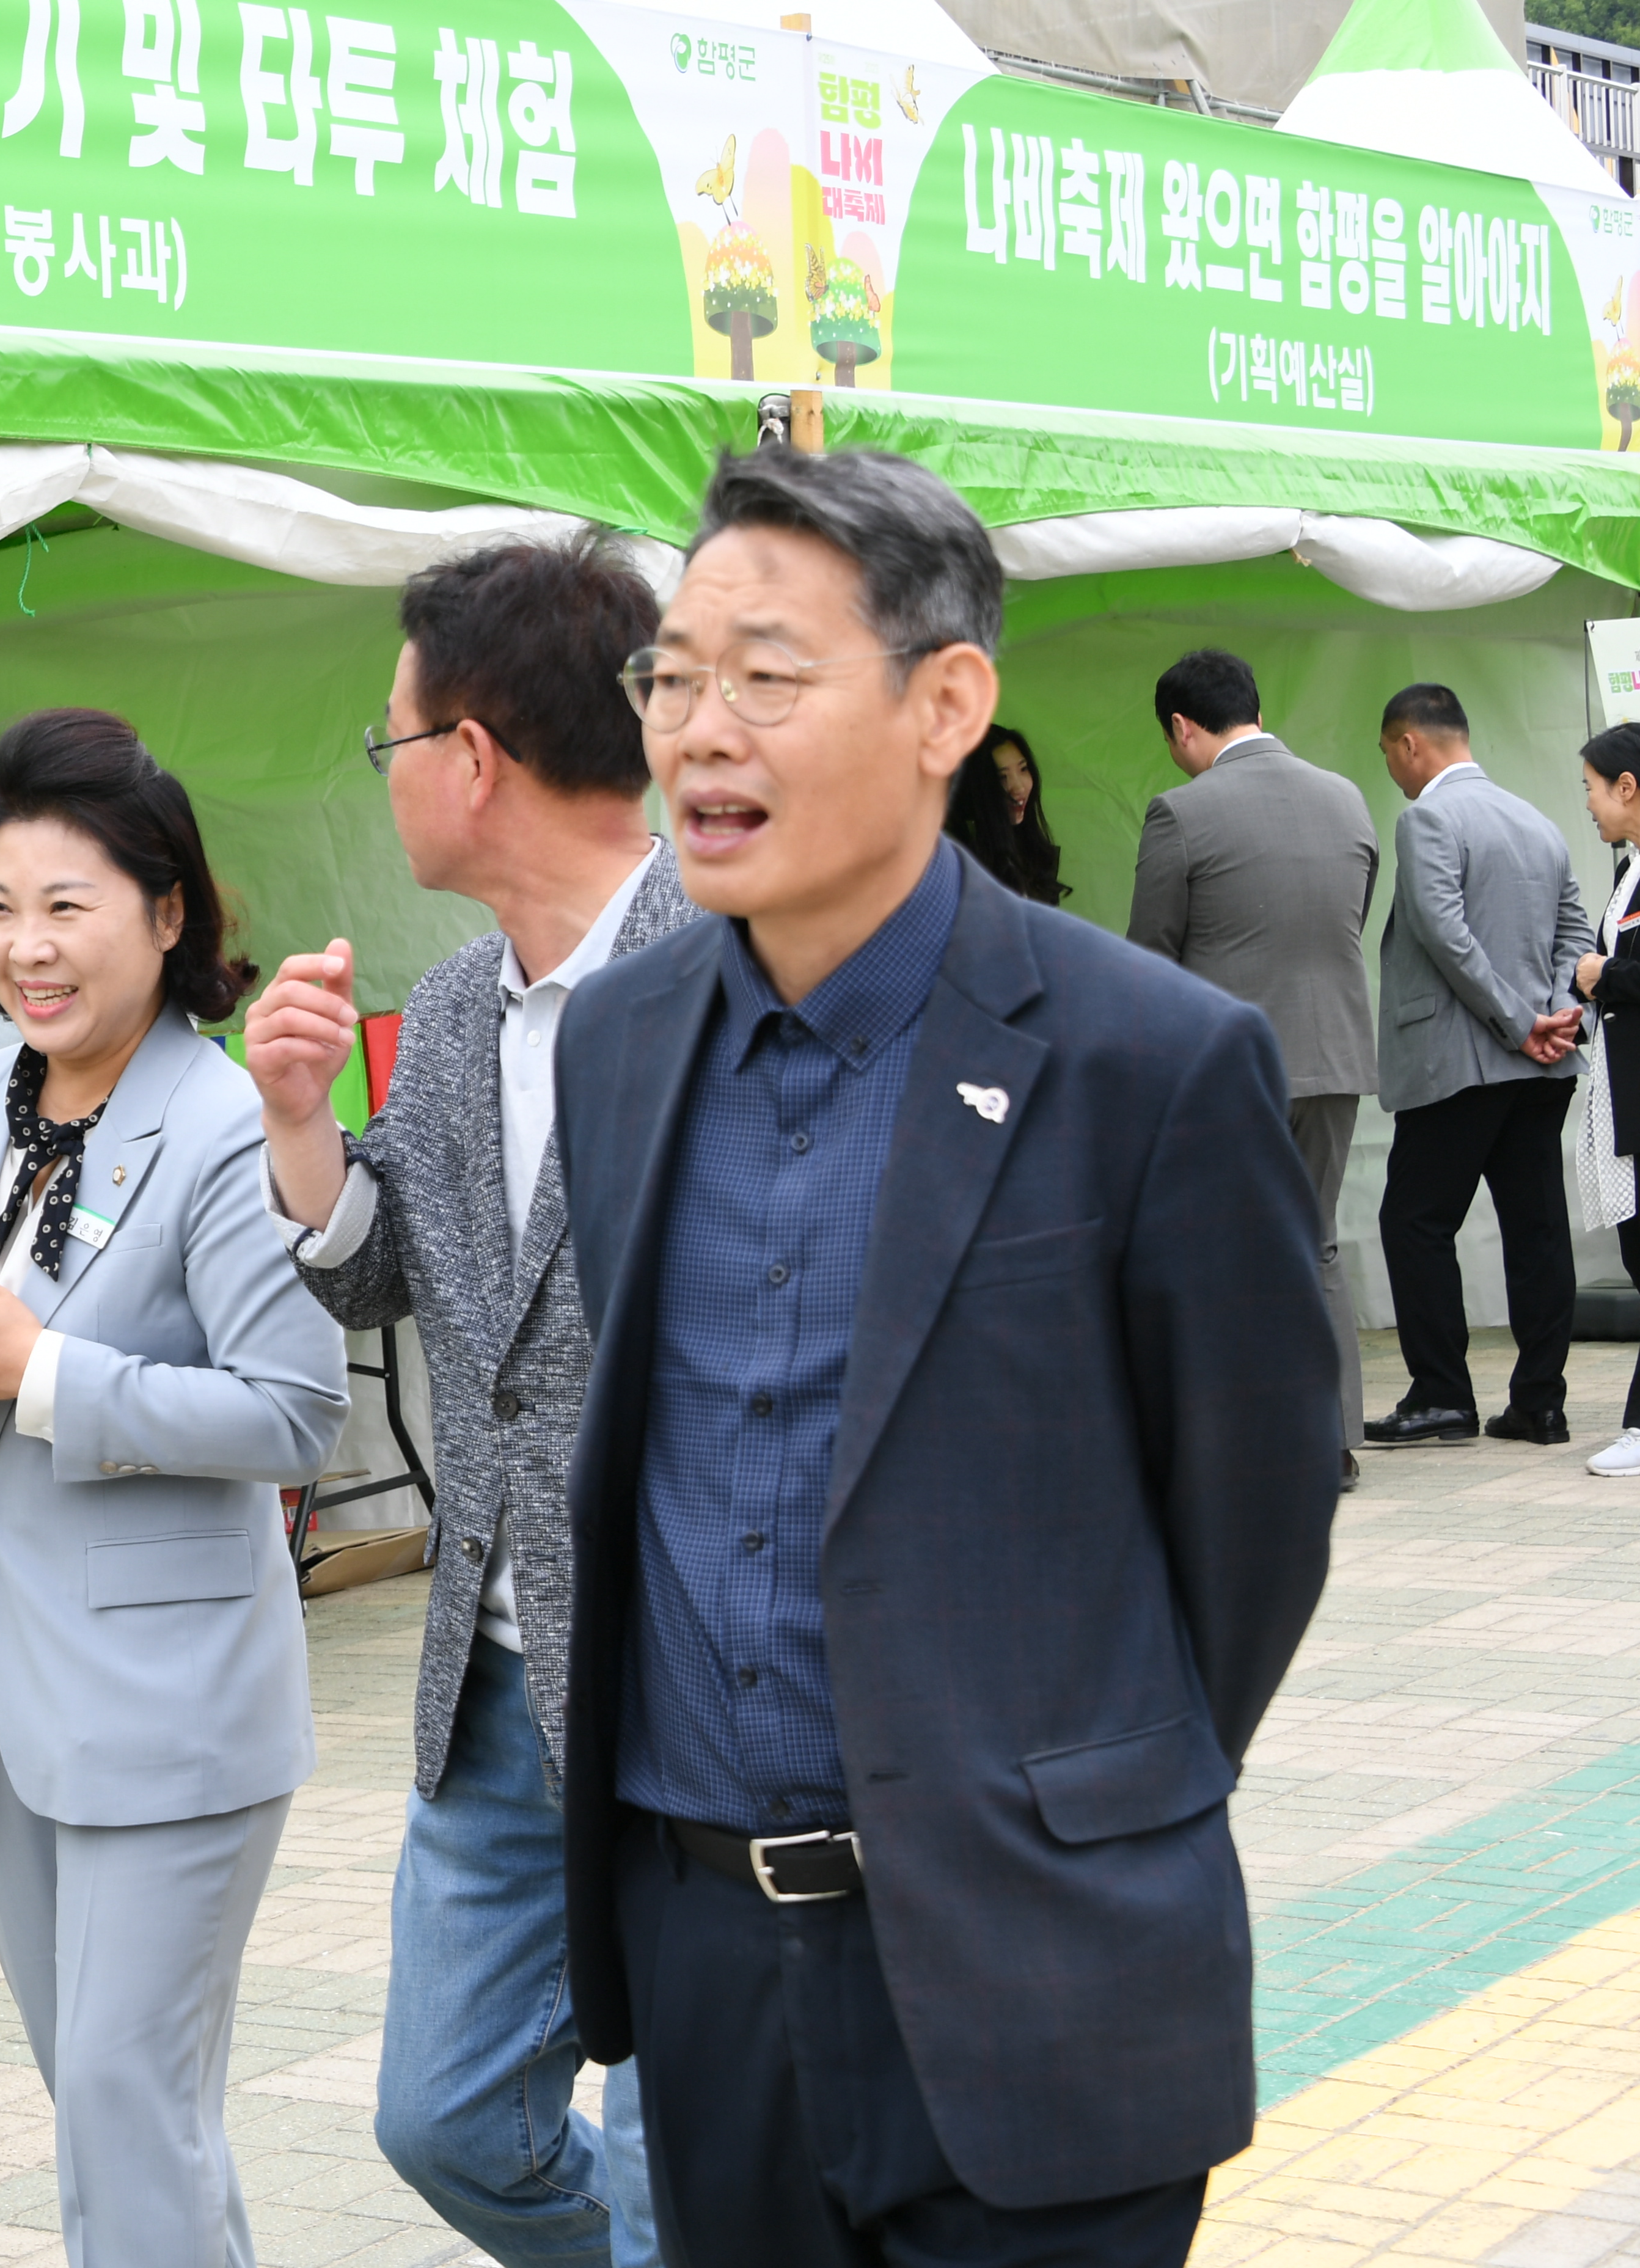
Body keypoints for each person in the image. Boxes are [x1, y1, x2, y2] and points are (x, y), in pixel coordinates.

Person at [556, 447, 1338, 2263]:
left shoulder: (1149, 1059)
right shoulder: (618, 1041)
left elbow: (1254, 1517)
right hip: (708, 1964)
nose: (698, 731)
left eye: (766, 675)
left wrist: (1073, 1796)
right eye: (670, 677)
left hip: (1039, 1960)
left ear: (945, 705)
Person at [244, 532, 681, 2268]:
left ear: (473, 756)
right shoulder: (451, 1008)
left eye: (393, 736)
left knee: (685, 2164)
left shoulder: (738, 973)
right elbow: (378, 1273)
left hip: (693, 1683)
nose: (386, 767)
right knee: (443, 2118)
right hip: (493, 1679)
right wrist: (298, 1128)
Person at [0, 711, 346, 2268]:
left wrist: (47, 1374)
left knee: (128, 2104)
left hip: (172, 1700)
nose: (28, 947)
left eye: (67, 905)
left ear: (168, 909)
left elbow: (295, 1413)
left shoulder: (226, 1124)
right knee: (111, 2109)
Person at [1129, 648, 1380, 1490]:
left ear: (1181, 726)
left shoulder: (1180, 813)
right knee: (1316, 1246)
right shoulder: (1347, 798)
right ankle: (1331, 1441)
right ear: (1257, 710)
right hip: (1334, 1058)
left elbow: (1151, 959)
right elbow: (1348, 922)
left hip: (1230, 1069)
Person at [1369, 682, 1595, 1447]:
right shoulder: (1536, 820)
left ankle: (1442, 1395)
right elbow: (1574, 930)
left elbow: (1443, 933)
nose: (1394, 769)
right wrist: (1555, 1014)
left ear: (1410, 744)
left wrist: (1519, 1023)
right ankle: (1541, 1402)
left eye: (1389, 754)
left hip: (1460, 1060)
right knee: (1538, 1230)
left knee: (1414, 1221)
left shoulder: (1427, 817)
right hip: (1540, 1067)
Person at [1573, 726, 1640, 1477]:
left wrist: (1605, 976)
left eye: (1592, 788)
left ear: (1627, 787)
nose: (1588, 805)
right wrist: (1584, 992)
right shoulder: (1629, 872)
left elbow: (1622, 972)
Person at [939, 723, 1063, 905]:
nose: (1019, 788)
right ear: (973, 788)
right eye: (1002, 777)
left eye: (1023, 769)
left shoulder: (1035, 854)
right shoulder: (951, 862)